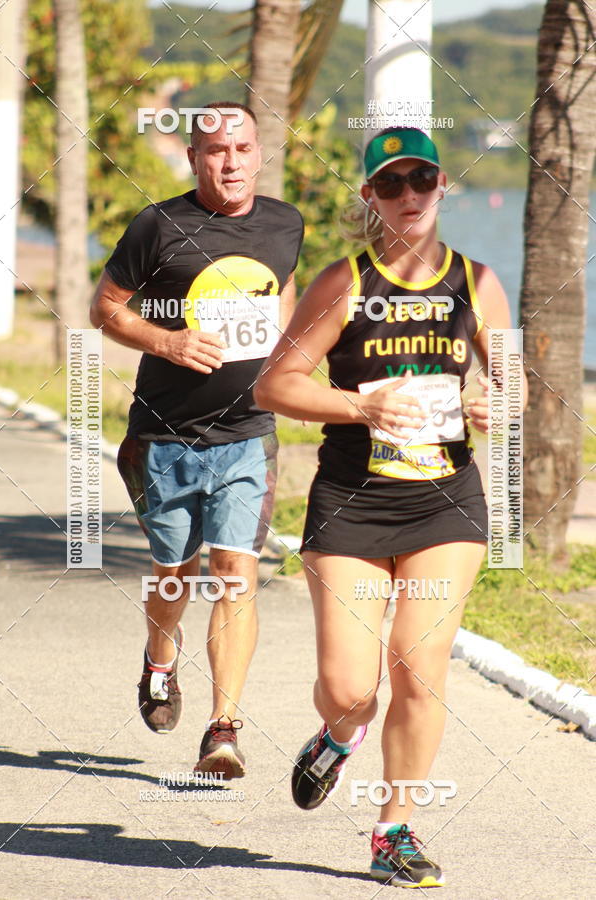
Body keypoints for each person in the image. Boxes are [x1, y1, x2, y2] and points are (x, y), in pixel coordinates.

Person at [255, 126, 527, 886]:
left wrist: (489, 399)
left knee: (418, 662)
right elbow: (276, 386)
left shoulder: (478, 282)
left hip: (445, 504)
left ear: (444, 187)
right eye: (391, 183)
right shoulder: (343, 285)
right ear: (369, 196)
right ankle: (337, 738)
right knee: (352, 689)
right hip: (352, 506)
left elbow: (515, 385)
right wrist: (359, 408)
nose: (409, 196)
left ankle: (394, 829)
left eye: (422, 180)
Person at [90, 101, 304, 778]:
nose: (231, 162)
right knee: (174, 575)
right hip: (165, 435)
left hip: (248, 434)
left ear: (260, 153)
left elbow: (283, 292)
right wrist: (168, 341)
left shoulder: (284, 224)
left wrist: (283, 365)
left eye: (242, 148)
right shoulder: (159, 226)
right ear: (194, 158)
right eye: (216, 151)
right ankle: (160, 654)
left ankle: (223, 729)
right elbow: (106, 309)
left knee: (235, 575)